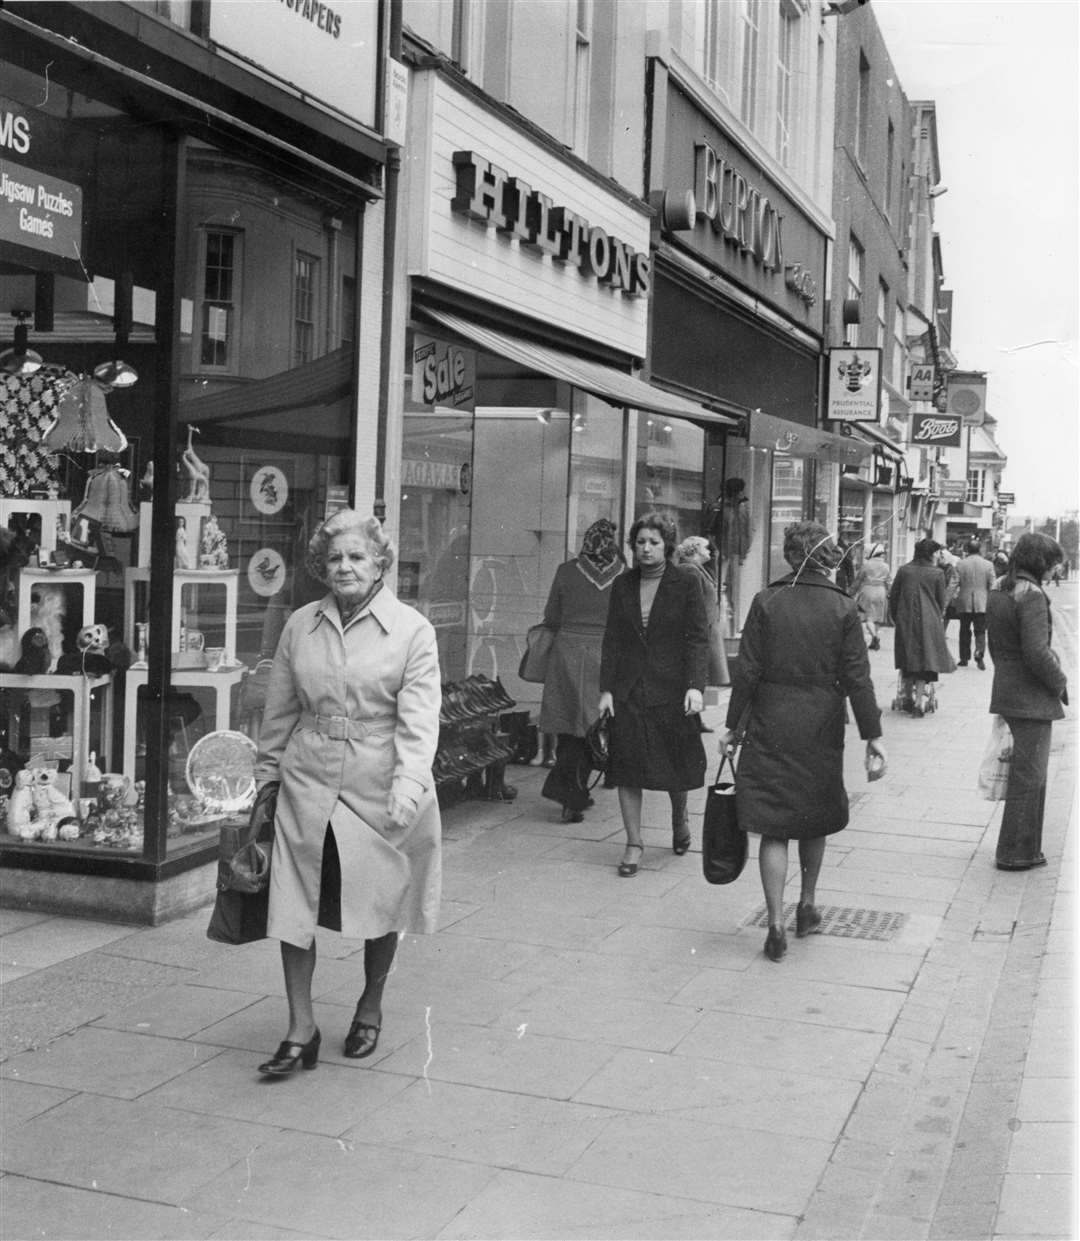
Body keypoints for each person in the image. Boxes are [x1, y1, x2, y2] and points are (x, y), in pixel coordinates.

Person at [253, 510, 442, 1075]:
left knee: (383, 899)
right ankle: (300, 1027)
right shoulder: (299, 626)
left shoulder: (412, 631)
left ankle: (370, 1005)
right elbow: (280, 710)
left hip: (379, 782)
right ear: (321, 566)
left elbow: (419, 721)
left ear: (381, 562)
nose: (345, 567)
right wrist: (266, 779)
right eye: (335, 558)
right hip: (306, 778)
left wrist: (409, 786)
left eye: (357, 556)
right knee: (293, 900)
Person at [721, 522, 886, 962]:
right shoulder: (842, 607)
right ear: (827, 556)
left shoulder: (766, 600)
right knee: (814, 815)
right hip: (821, 721)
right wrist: (873, 735)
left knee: (774, 825)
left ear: (790, 556)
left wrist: (732, 726)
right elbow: (857, 677)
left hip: (771, 719)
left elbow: (748, 671)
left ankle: (774, 923)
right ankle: (807, 904)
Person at [598, 511, 709, 875]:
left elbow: (696, 637)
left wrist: (695, 686)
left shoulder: (685, 583)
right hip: (630, 690)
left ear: (668, 546)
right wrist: (607, 691)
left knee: (674, 765)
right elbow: (612, 640)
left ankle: (680, 819)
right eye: (640, 542)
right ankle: (633, 843)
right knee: (627, 766)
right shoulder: (623, 585)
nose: (646, 549)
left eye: (654, 543)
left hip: (672, 689)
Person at [987, 533, 1068, 871]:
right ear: (1040, 562)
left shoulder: (1001, 589)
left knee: (1025, 773)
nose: (1053, 571)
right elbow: (1037, 652)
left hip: (1008, 689)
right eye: (1052, 564)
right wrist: (1061, 681)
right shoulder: (1031, 595)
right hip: (1031, 697)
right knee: (1030, 776)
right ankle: (1017, 852)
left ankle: (1023, 848)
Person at [538, 519, 625, 824]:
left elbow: (551, 616)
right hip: (606, 653)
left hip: (567, 653)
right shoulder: (623, 576)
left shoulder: (565, 571)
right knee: (592, 723)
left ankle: (569, 792)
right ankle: (575, 790)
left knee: (568, 723)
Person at [888, 538, 956, 716]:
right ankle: (919, 702)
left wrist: (896, 618)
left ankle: (907, 698)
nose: (938, 555)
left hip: (906, 619)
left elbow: (893, 597)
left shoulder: (904, 571)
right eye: (936, 552)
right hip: (929, 621)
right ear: (930, 553)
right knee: (926, 661)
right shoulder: (937, 574)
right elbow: (941, 601)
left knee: (908, 657)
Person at [674, 534, 730, 693]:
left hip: (706, 630)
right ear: (696, 550)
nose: (709, 551)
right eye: (706, 548)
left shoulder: (696, 569)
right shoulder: (690, 570)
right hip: (700, 631)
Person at [954, 538, 996, 669]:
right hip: (982, 603)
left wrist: (945, 601)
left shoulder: (960, 564)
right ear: (980, 550)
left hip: (964, 602)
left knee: (964, 630)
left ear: (967, 550)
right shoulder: (988, 565)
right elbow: (993, 585)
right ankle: (979, 653)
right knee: (980, 630)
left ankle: (964, 658)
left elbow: (953, 583)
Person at [852, 542, 891, 650]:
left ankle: (874, 637)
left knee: (868, 617)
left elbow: (858, 580)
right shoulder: (886, 566)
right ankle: (876, 636)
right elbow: (888, 581)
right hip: (881, 591)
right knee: (877, 617)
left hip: (867, 590)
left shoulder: (866, 565)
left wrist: (851, 592)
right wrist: (889, 593)